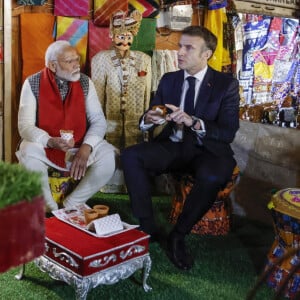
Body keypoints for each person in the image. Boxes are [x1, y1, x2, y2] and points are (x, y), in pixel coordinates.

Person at [121, 26, 240, 270]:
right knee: (131, 156)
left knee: (214, 174)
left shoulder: (225, 85)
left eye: (189, 47)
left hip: (208, 149)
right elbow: (153, 111)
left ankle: (178, 235)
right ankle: (148, 226)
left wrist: (193, 121)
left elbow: (227, 132)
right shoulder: (169, 79)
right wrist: (150, 118)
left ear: (206, 54)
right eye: (180, 46)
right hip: (173, 146)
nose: (180, 52)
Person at [16, 40, 116, 212]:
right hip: (46, 147)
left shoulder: (85, 82)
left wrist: (86, 148)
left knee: (108, 156)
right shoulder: (32, 83)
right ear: (53, 66)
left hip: (77, 146)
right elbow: (24, 126)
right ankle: (51, 209)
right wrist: (49, 141)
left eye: (77, 60)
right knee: (27, 152)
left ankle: (72, 204)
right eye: (70, 61)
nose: (76, 65)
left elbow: (98, 120)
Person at [91, 10, 151, 193]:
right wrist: (97, 120)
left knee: (134, 150)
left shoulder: (144, 59)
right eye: (120, 36)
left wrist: (146, 119)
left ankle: (132, 186)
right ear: (111, 36)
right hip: (110, 118)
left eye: (128, 36)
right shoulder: (100, 59)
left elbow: (147, 92)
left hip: (135, 118)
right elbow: (97, 93)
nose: (124, 41)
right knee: (111, 150)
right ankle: (110, 185)